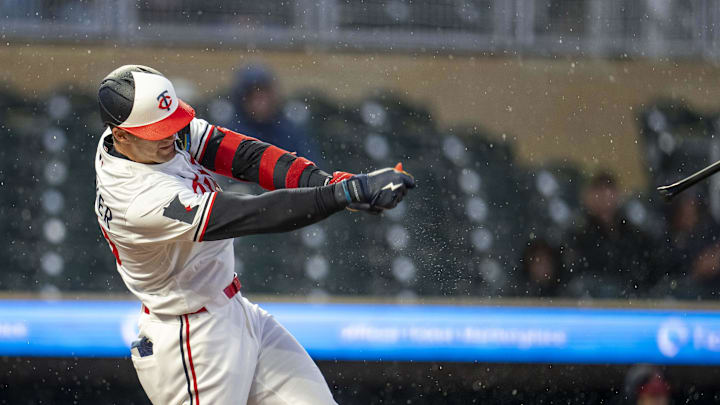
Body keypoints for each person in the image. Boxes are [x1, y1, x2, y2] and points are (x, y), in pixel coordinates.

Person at [94, 65, 414, 404]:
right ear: (122, 134)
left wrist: (327, 183)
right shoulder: (137, 198)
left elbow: (244, 156)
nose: (172, 136)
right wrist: (344, 194)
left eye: (172, 123)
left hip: (235, 312)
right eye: (159, 130)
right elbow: (254, 215)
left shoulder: (141, 139)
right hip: (189, 341)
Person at [564, 172, 656, 298]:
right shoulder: (578, 232)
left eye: (608, 191)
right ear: (589, 196)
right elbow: (575, 272)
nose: (604, 197)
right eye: (599, 192)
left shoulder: (631, 232)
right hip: (591, 298)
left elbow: (641, 269)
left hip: (627, 296)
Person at [230, 63, 321, 162]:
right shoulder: (233, 134)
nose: (261, 103)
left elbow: (311, 168)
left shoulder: (290, 131)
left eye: (264, 96)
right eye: (252, 96)